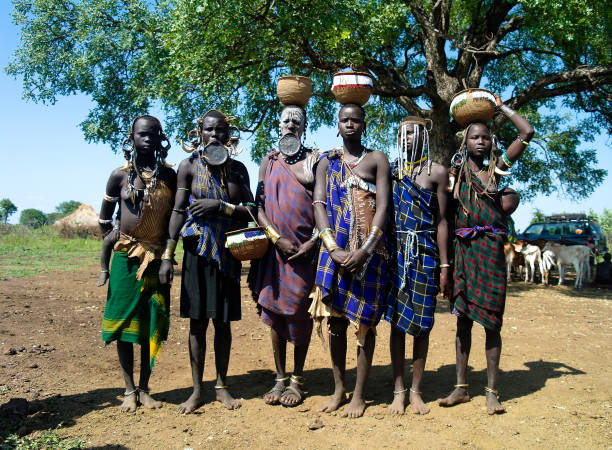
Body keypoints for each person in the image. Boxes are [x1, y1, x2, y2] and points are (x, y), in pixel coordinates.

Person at [439, 95, 534, 414]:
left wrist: (501, 108)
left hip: (490, 252)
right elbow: (446, 216)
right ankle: (461, 387)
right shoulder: (455, 173)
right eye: (474, 137)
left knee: (492, 324)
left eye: (485, 137)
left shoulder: (497, 170)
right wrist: (446, 265)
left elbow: (526, 133)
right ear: (464, 142)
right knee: (462, 323)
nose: (480, 141)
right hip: (463, 252)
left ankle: (492, 391)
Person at [159, 110, 254, 414]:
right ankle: (197, 389)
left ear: (230, 136)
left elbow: (252, 209)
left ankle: (222, 386)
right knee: (197, 323)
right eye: (209, 130)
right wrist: (167, 254)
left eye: (221, 131)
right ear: (199, 133)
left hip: (228, 254)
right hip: (197, 253)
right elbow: (177, 210)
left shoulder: (238, 170)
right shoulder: (188, 167)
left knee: (223, 323)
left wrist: (221, 206)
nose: (215, 135)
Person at [310, 103, 391, 418]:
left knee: (365, 324)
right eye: (344, 119)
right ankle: (339, 389)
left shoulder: (377, 159)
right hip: (335, 251)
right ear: (337, 123)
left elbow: (384, 206)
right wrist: (332, 248)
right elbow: (318, 202)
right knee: (336, 322)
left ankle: (359, 394)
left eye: (356, 120)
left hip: (368, 255)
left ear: (364, 124)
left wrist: (366, 249)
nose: (350, 124)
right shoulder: (326, 162)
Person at [98, 115, 176, 412]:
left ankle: (145, 388)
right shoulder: (118, 176)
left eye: (154, 134)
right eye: (142, 134)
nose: (148, 138)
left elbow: (172, 222)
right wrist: (113, 236)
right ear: (131, 138)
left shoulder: (169, 176)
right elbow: (104, 219)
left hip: (156, 259)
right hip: (124, 258)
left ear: (160, 139)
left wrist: (168, 257)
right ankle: (129, 389)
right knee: (123, 324)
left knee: (149, 323)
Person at [249, 105, 318, 406]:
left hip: (304, 252)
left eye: (296, 121)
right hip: (275, 253)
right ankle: (279, 378)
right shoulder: (268, 162)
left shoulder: (315, 161)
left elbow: (324, 206)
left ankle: (297, 380)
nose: (290, 125)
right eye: (285, 120)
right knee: (275, 315)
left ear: (304, 127)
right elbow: (258, 207)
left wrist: (313, 243)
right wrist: (276, 239)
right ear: (278, 126)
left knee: (300, 316)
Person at [385, 116, 451, 415]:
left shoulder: (437, 172)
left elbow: (441, 221)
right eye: (402, 134)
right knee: (398, 325)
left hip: (424, 252)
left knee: (423, 324)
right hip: (396, 252)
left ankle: (416, 391)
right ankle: (398, 391)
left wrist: (445, 265)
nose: (407, 138)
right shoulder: (390, 171)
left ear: (425, 136)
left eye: (413, 133)